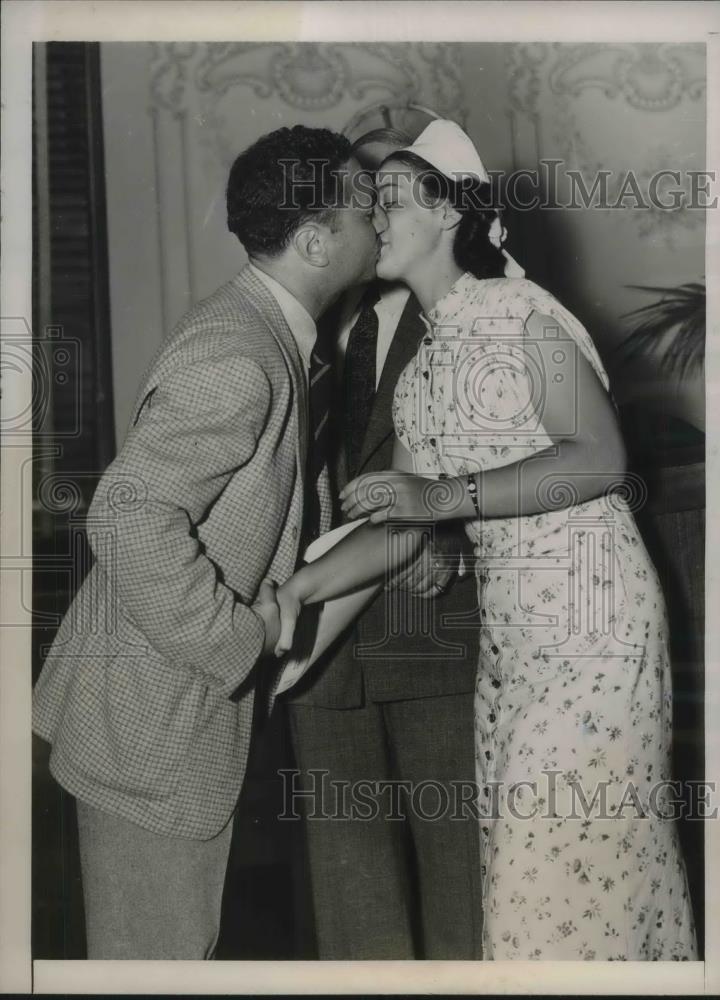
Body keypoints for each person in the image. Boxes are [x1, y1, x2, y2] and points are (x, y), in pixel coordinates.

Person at [274, 120, 698, 960]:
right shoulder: (428, 365)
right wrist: (301, 589)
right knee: (536, 883)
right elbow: (399, 525)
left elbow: (599, 459)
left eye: (389, 198)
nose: (375, 218)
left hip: (592, 624)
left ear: (448, 212)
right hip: (514, 642)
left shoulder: (517, 310)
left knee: (553, 885)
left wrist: (438, 494)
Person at [31, 124, 380, 960]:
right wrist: (242, 635)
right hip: (150, 732)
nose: (383, 220)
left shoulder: (271, 334)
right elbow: (126, 516)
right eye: (368, 208)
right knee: (155, 967)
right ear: (314, 240)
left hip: (163, 718)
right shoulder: (240, 355)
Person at [283, 125, 484, 961]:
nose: (372, 210)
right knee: (351, 891)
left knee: (461, 882)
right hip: (318, 650)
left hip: (432, 630)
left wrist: (455, 538)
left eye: (387, 193)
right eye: (360, 194)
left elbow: (530, 462)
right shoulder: (302, 313)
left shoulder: (478, 304)